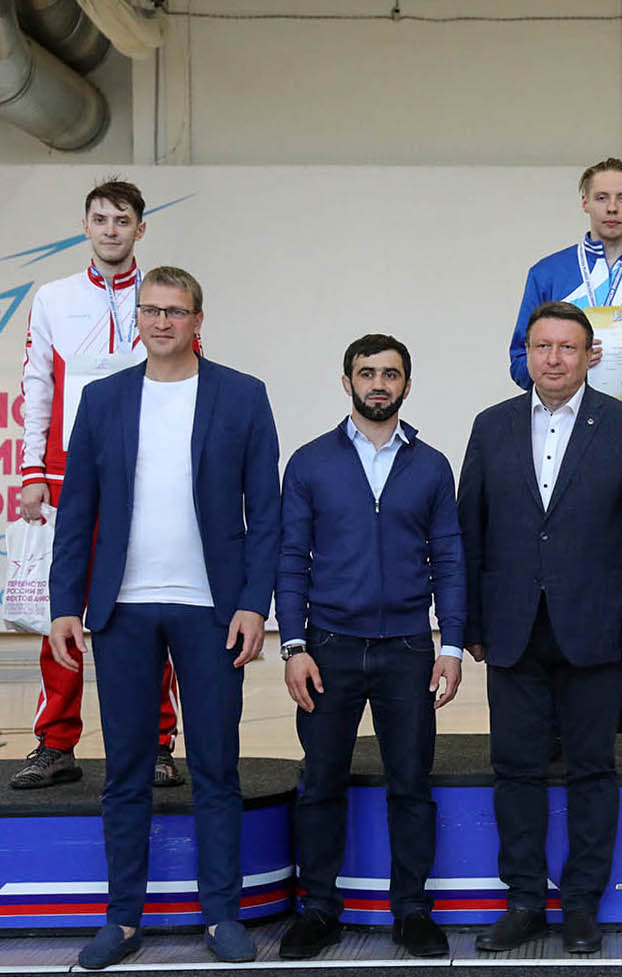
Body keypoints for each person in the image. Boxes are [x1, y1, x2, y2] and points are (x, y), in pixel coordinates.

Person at [48, 266, 281, 968]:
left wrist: (253, 603)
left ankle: (221, 915)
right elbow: (76, 511)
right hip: (122, 608)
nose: (160, 321)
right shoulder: (103, 398)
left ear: (197, 320)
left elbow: (266, 514)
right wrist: (64, 605)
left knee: (215, 766)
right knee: (125, 769)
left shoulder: (242, 395)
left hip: (212, 609)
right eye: (150, 310)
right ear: (138, 318)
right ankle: (122, 920)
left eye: (175, 311)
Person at [461, 301, 622, 954]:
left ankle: (581, 903)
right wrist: (468, 621)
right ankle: (524, 899)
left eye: (567, 347)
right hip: (511, 629)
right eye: (542, 346)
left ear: (588, 355)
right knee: (515, 769)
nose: (553, 358)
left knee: (592, 770)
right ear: (525, 353)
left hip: (597, 631)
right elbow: (471, 531)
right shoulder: (490, 425)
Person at [275, 334, 467, 959]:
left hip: (408, 649)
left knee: (411, 784)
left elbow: (450, 559)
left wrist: (452, 645)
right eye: (367, 373)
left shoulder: (431, 465)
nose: (378, 384)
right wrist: (294, 645)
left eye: (390, 374)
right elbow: (291, 558)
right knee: (321, 783)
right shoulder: (310, 462)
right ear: (347, 382)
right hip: (327, 648)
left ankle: (411, 910)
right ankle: (318, 909)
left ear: (406, 384)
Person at [509, 157, 622, 761]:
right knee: (562, 585)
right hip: (566, 448)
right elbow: (517, 363)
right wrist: (563, 360)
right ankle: (559, 720)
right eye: (602, 197)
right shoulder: (549, 272)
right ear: (584, 202)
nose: (612, 207)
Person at [12, 179, 184, 791]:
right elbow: (37, 385)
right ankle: (55, 743)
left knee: (150, 612)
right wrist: (33, 471)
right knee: (61, 615)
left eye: (122, 220)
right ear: (85, 226)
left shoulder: (163, 300)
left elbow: (185, 383)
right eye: (101, 219)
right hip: (69, 479)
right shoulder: (55, 298)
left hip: (147, 481)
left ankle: (156, 742)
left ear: (141, 228)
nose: (111, 230)